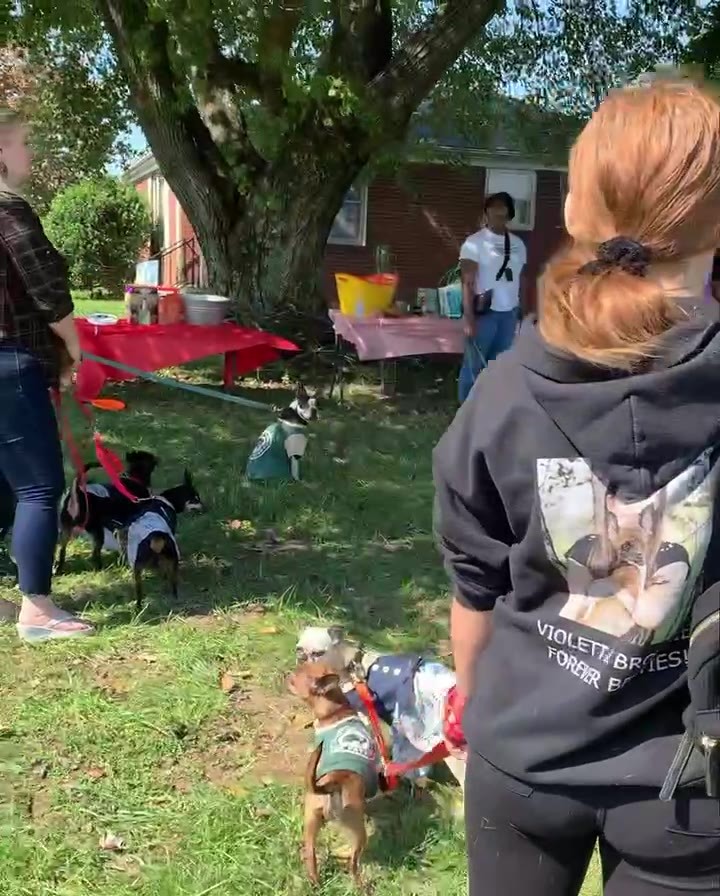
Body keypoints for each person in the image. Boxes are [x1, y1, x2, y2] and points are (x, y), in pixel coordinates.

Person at [433, 79, 720, 896]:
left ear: (571, 213)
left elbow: (476, 591)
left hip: (523, 758)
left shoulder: (499, 396)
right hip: (690, 781)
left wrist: (471, 715)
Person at [0, 107, 92, 641]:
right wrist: (74, 345)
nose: (31, 153)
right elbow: (46, 285)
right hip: (11, 361)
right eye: (25, 143)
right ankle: (36, 610)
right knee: (38, 485)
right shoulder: (9, 213)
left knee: (3, 479)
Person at [457, 191, 527, 403]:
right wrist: (469, 318)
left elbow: (518, 279)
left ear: (509, 212)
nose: (498, 211)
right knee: (473, 365)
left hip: (509, 314)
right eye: (493, 207)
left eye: (502, 207)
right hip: (484, 314)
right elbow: (467, 281)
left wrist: (520, 311)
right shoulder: (474, 242)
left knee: (499, 367)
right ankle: (465, 411)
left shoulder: (518, 244)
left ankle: (489, 409)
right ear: (486, 212)